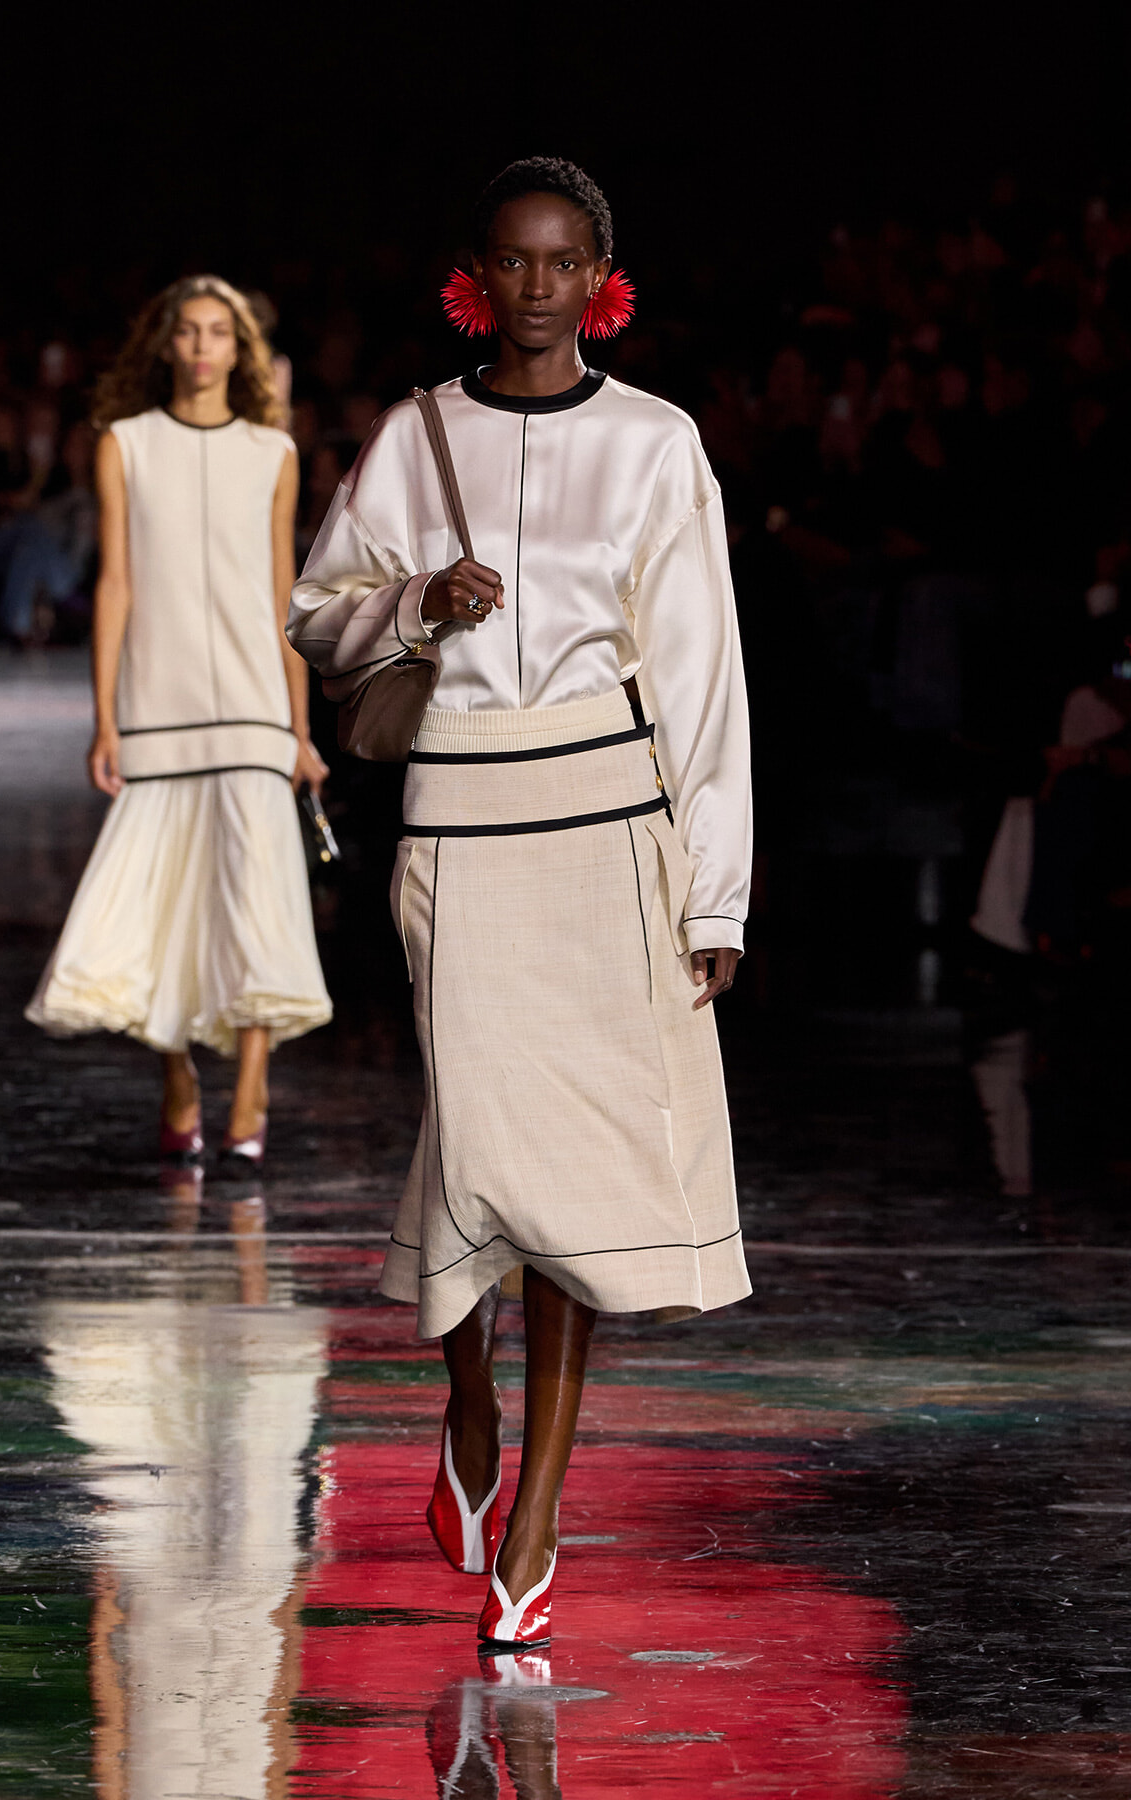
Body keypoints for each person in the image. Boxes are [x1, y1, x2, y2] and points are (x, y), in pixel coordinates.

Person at [288, 159, 752, 1647]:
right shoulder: (420, 436)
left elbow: (701, 676)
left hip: (611, 826)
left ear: (602, 273)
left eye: (564, 263)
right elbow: (312, 610)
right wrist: (422, 603)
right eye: (512, 261)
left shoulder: (657, 445)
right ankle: (464, 1387)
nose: (537, 287)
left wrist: (718, 890)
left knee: (574, 1184)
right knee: (482, 1141)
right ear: (474, 276)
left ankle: (539, 1505)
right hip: (466, 828)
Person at [27, 275, 332, 1164]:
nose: (203, 347)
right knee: (162, 902)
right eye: (189, 332)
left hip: (251, 706)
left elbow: (285, 592)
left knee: (257, 897)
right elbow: (115, 582)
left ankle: (250, 1088)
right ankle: (177, 1071)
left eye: (219, 333)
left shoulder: (273, 452)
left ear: (240, 350)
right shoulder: (125, 444)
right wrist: (105, 718)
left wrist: (299, 727)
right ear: (166, 345)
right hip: (159, 706)